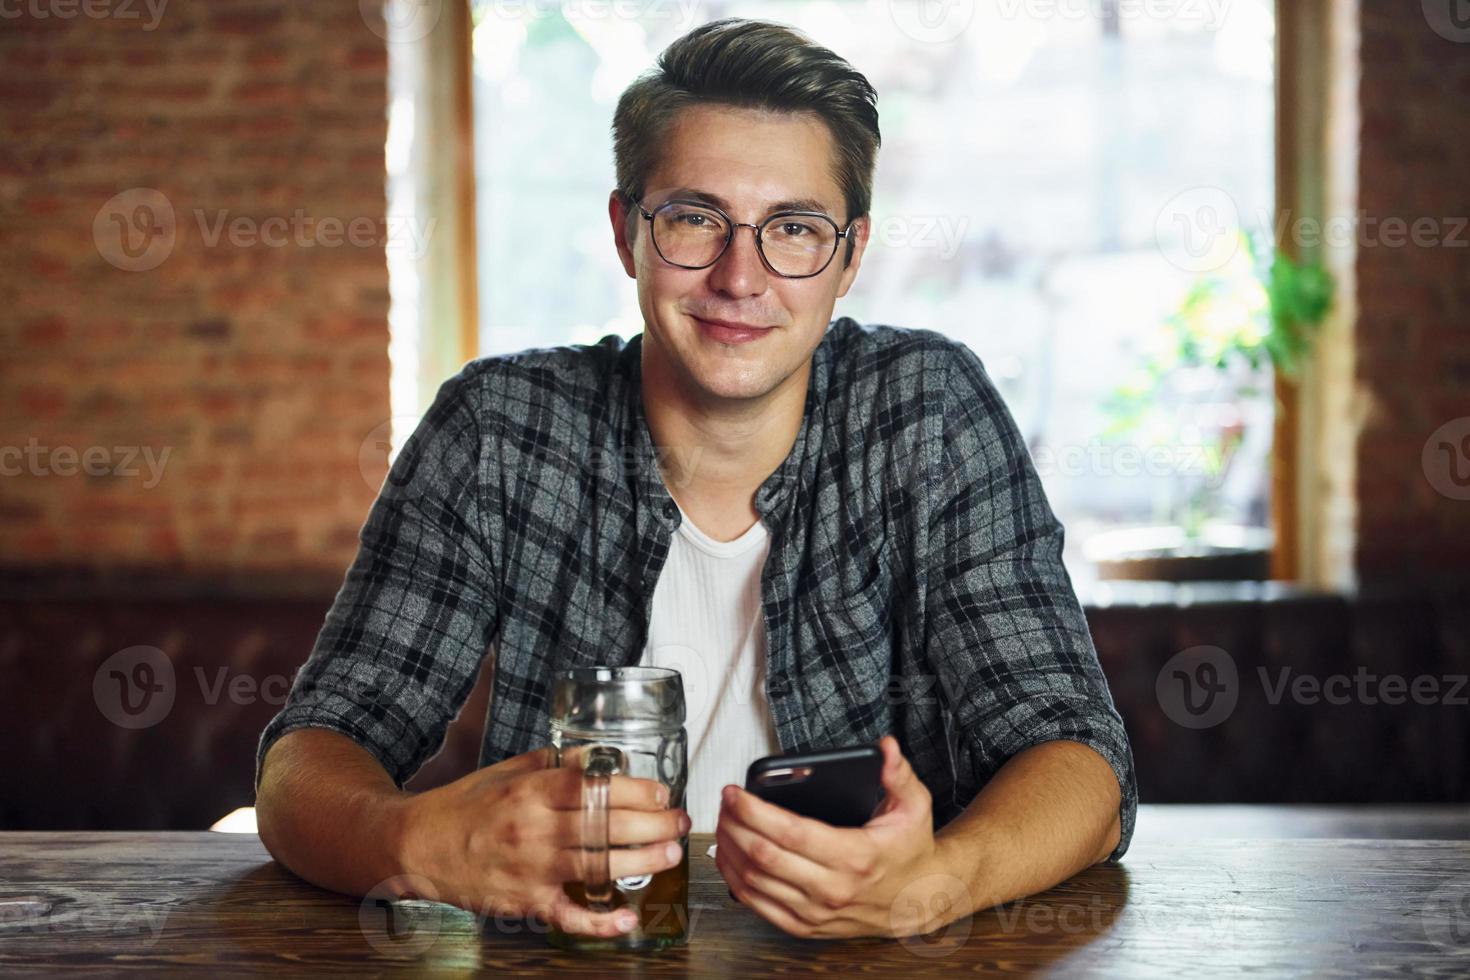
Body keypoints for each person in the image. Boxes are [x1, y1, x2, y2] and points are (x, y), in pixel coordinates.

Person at [255, 17, 1136, 941]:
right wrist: (417, 844)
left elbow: (1081, 758)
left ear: (850, 257)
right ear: (626, 231)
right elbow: (308, 763)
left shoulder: (928, 415)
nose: (740, 277)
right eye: (694, 219)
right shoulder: (499, 430)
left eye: (793, 228)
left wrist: (938, 883)